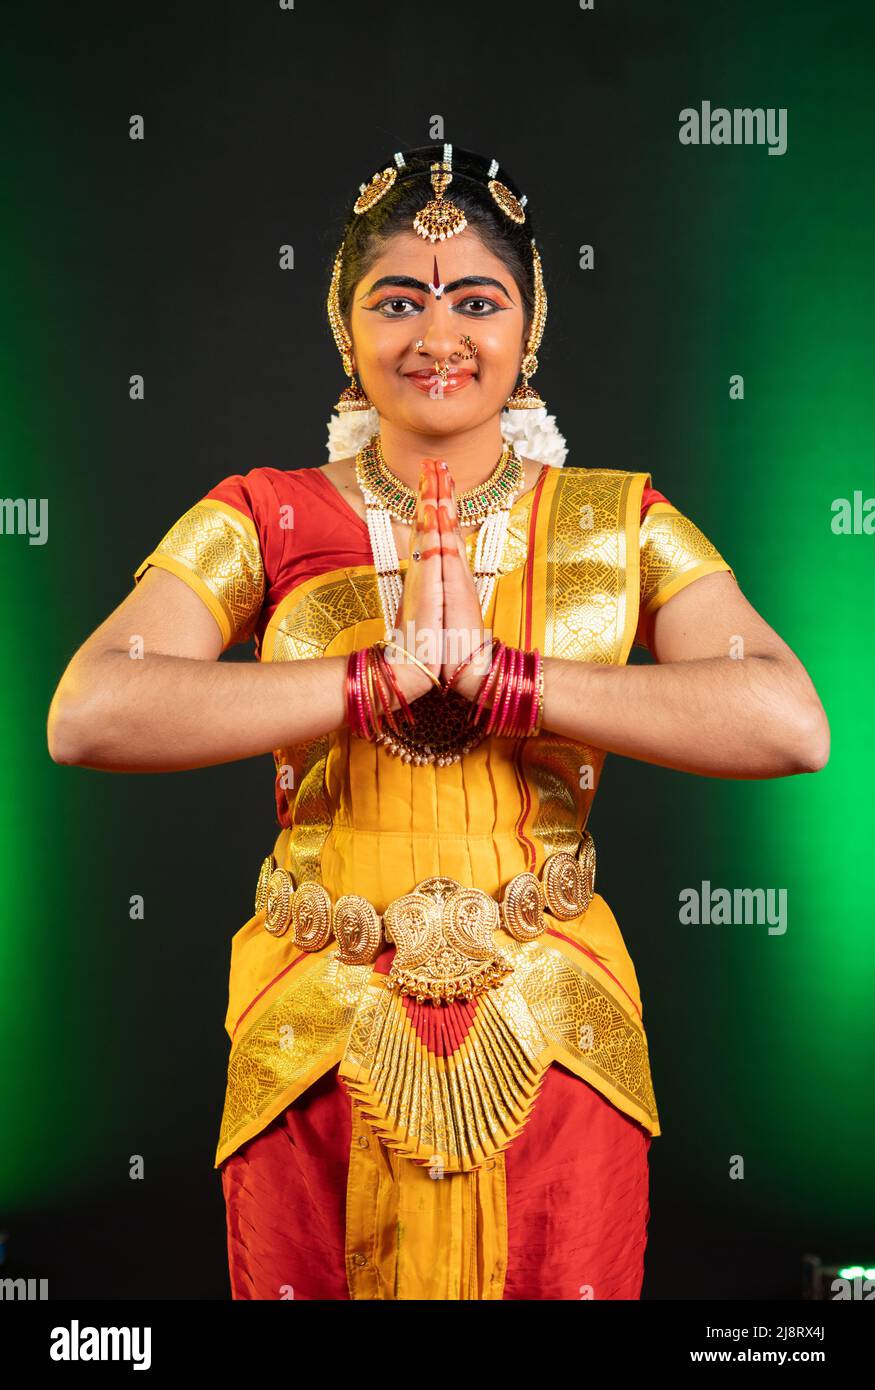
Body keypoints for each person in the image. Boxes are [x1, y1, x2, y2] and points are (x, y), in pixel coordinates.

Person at [47, 143, 830, 1301]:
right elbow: (91, 709)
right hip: (316, 1029)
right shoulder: (262, 512)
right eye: (396, 300)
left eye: (477, 300)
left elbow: (785, 722)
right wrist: (377, 678)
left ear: (527, 331)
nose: (436, 335)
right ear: (345, 329)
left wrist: (510, 680)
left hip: (552, 1031)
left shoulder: (616, 518)